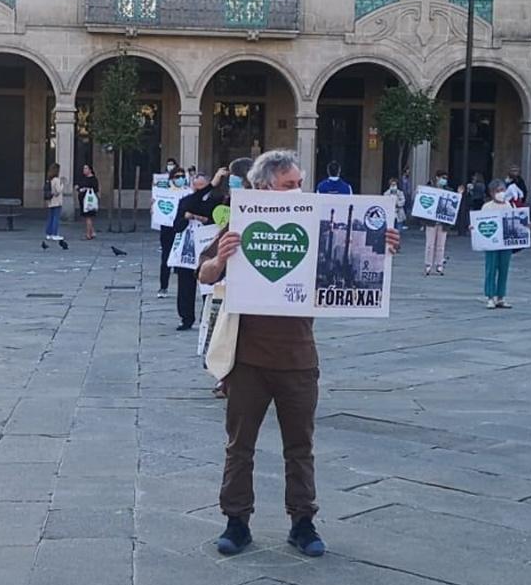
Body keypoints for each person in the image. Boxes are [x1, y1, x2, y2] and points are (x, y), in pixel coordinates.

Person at [198, 150, 401, 558]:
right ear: (264, 188)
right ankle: (236, 522)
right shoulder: (241, 225)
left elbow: (350, 258)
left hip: (299, 358)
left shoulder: (316, 222)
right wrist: (221, 258)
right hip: (247, 359)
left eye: (299, 183)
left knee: (300, 446)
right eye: (291, 184)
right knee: (240, 446)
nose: (299, 190)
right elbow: (204, 275)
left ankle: (302, 522)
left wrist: (380, 248)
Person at [171, 171, 222, 331]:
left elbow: (218, 222)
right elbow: (177, 225)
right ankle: (186, 318)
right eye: (195, 187)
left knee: (208, 286)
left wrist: (201, 218)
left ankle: (206, 317)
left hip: (207, 247)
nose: (198, 190)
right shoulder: (186, 201)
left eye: (202, 188)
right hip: (188, 248)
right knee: (185, 285)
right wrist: (186, 218)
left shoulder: (216, 202)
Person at [480, 179, 514, 310]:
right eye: (498, 191)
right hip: (491, 243)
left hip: (505, 243)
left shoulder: (509, 205)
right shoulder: (487, 207)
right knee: (491, 268)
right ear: (492, 193)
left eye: (502, 190)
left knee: (504, 269)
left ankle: (501, 296)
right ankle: (490, 296)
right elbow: (480, 223)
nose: (501, 193)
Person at [157, 166, 187, 298]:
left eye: (182, 176)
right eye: (177, 177)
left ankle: (184, 289)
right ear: (171, 179)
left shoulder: (188, 193)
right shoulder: (164, 193)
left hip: (182, 228)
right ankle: (163, 286)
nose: (180, 179)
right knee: (166, 258)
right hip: (167, 229)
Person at [424, 170, 451, 276]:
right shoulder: (430, 189)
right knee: (430, 244)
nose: (444, 180)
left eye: (445, 178)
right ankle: (428, 264)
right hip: (431, 222)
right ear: (437, 178)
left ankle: (439, 264)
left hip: (442, 223)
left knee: (441, 245)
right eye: (442, 178)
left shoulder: (448, 191)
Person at [42, 164, 66, 250]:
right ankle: (54, 234)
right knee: (56, 217)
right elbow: (58, 190)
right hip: (57, 201)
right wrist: (62, 184)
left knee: (50, 217)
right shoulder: (56, 180)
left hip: (50, 201)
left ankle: (48, 233)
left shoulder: (49, 179)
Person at [77, 164, 100, 241]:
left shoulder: (93, 179)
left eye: (86, 168)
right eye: (84, 168)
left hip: (89, 201)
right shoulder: (83, 178)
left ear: (90, 170)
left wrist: (86, 189)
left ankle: (88, 234)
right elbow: (79, 186)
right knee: (87, 217)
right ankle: (92, 232)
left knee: (88, 217)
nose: (84, 170)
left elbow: (95, 189)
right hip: (83, 200)